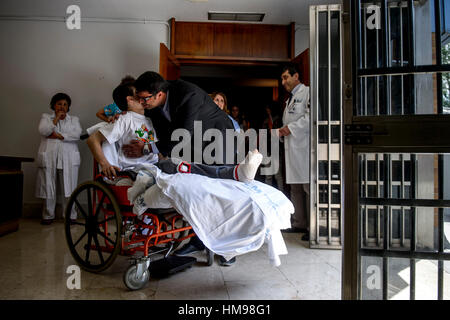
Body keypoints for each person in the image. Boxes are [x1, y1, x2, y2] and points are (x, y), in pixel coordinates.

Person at [122, 71, 238, 264]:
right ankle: (198, 241)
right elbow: (158, 132)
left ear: (159, 94)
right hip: (193, 144)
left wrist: (146, 148)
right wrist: (121, 116)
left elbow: (180, 136)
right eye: (139, 99)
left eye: (144, 99)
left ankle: (228, 249)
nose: (142, 104)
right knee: (196, 192)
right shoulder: (152, 105)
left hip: (219, 141)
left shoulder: (188, 94)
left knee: (220, 194)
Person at [35, 93, 82, 225]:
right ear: (53, 105)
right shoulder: (46, 117)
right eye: (59, 104)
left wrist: (58, 135)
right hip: (50, 157)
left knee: (70, 186)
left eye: (65, 104)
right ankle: (48, 215)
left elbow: (77, 134)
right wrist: (55, 120)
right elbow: (43, 130)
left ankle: (70, 215)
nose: (62, 107)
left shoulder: (74, 120)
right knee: (48, 186)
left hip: (68, 158)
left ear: (68, 107)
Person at [277, 64, 311, 241]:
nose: (283, 82)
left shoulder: (307, 93)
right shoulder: (289, 99)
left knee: (307, 187)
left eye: (285, 77)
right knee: (295, 188)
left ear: (296, 76)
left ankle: (311, 226)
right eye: (283, 78)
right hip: (291, 149)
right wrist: (283, 132)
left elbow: (310, 117)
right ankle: (298, 223)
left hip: (304, 149)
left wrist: (289, 129)